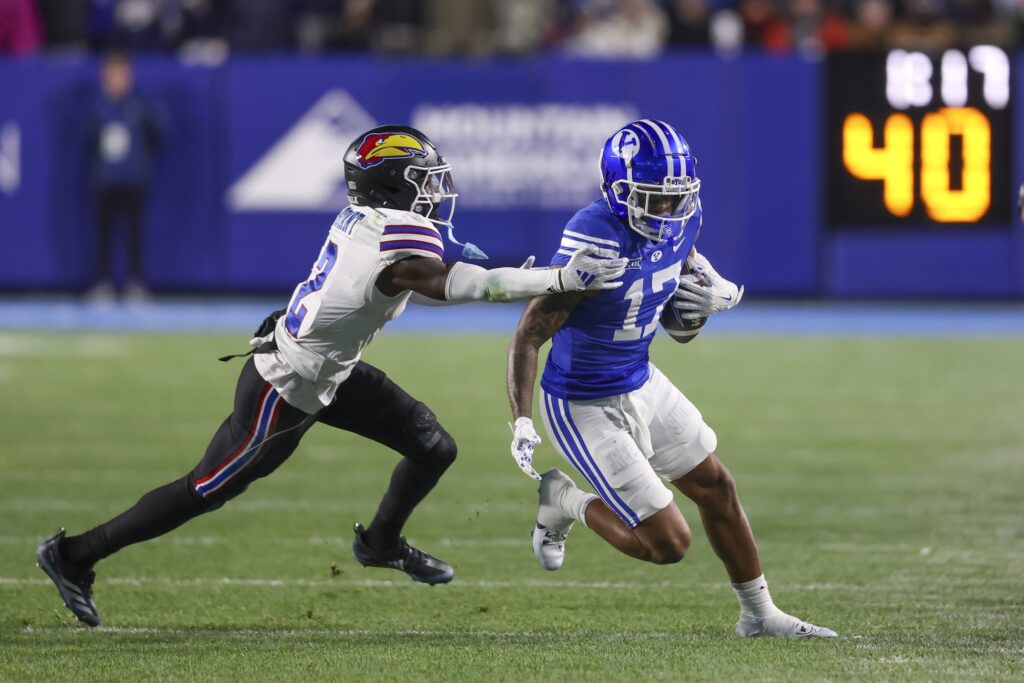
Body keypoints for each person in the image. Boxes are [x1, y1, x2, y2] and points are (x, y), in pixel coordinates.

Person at [36, 125, 627, 627]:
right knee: (207, 489)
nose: (439, 191)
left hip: (331, 371)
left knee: (433, 445)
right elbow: (468, 285)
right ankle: (73, 555)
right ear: (393, 187)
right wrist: (556, 279)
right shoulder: (394, 247)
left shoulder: (372, 217)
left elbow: (449, 255)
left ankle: (379, 543)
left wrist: (516, 267)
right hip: (285, 385)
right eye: (426, 180)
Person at [506, 119, 837, 638]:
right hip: (581, 401)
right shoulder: (595, 237)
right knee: (668, 544)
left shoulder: (684, 217)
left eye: (674, 198)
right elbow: (530, 333)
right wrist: (522, 420)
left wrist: (713, 294)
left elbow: (677, 309)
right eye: (652, 198)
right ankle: (564, 500)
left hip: (641, 378)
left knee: (717, 486)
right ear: (617, 191)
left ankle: (759, 615)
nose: (666, 210)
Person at [87, 52, 164, 302]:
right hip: (106, 180)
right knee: (104, 233)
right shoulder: (98, 106)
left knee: (134, 233)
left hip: (133, 179)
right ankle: (103, 282)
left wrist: (141, 163)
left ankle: (135, 282)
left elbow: (156, 136)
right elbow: (88, 142)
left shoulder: (140, 105)